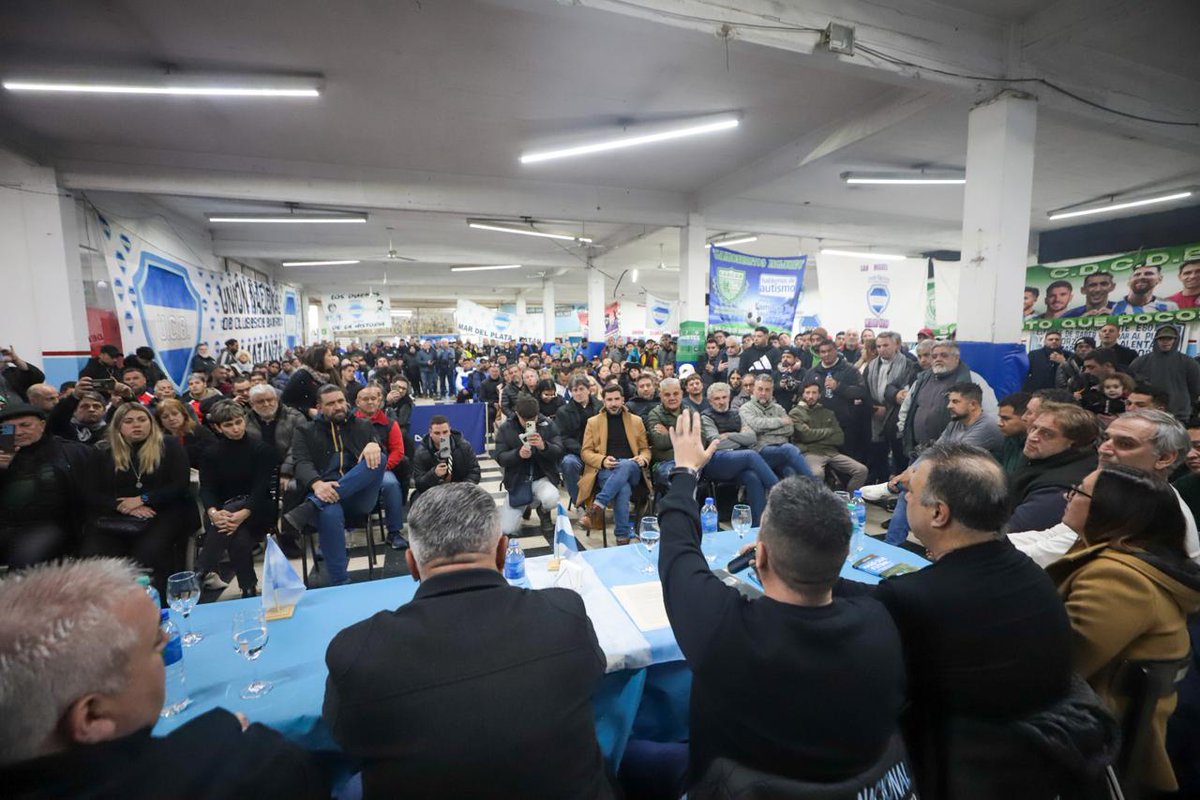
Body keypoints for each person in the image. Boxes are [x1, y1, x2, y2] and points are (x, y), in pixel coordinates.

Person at [656, 411, 905, 793]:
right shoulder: (880, 621)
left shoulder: (725, 629)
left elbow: (677, 551)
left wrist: (686, 471)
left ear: (761, 556)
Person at [322, 483, 612, 799]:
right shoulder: (564, 614)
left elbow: (344, 738)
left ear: (411, 564)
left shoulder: (357, 654)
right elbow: (595, 680)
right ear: (502, 552)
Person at [0, 559, 329, 800]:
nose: (169, 639)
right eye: (156, 644)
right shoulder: (252, 771)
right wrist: (224, 743)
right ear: (92, 716)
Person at [870, 443, 1073, 798]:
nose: (904, 500)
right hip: (1032, 763)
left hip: (947, 769)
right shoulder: (1032, 574)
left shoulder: (916, 598)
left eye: (910, 493)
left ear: (938, 514)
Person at [1047, 465, 1200, 794]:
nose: (1069, 497)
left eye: (1080, 492)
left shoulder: (1118, 578)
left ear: (1112, 511)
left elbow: (1060, 665)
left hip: (1102, 742)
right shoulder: (1131, 559)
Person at [1010, 410, 1200, 567]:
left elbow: (1045, 556)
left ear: (1164, 458)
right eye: (1106, 439)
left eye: (1125, 444)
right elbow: (1055, 535)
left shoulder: (1149, 509)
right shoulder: (1122, 493)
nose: (1104, 449)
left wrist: (987, 546)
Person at [81, 403, 198, 601]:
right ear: (118, 426)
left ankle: (155, 606)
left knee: (149, 553)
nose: (137, 425)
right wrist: (122, 506)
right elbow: (90, 492)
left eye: (142, 420)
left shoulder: (169, 445)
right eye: (129, 421)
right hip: (117, 513)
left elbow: (179, 485)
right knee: (94, 551)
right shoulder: (102, 451)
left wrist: (143, 499)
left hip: (165, 509)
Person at [282, 385, 386, 587]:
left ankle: (312, 504)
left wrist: (374, 444)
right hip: (325, 494)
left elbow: (376, 445)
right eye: (331, 403)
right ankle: (340, 582)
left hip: (359, 496)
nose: (338, 407)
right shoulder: (304, 431)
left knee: (379, 457)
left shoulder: (363, 426)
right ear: (319, 407)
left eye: (340, 401)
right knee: (329, 512)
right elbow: (301, 463)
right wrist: (317, 484)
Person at [196, 401, 277, 596]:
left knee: (232, 521)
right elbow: (207, 489)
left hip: (259, 509)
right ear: (218, 427)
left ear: (244, 420)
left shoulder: (261, 449)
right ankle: (248, 587)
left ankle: (201, 569)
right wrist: (213, 513)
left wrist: (243, 513)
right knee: (236, 534)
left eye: (238, 422)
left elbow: (261, 488)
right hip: (225, 513)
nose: (235, 428)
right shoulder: (210, 453)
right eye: (228, 425)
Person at [0, 404, 92, 567]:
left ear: (42, 425)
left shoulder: (71, 452)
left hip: (50, 526)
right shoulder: (3, 456)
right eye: (10, 428)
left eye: (25, 425)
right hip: (7, 523)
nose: (19, 432)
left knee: (25, 559)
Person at [1007, 401, 1099, 532]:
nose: (1032, 437)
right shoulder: (1042, 457)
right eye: (1034, 428)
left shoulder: (1058, 487)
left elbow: (1013, 531)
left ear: (1074, 443)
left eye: (1047, 434)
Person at [578, 384, 652, 544]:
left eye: (617, 399)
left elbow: (645, 449)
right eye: (609, 400)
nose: (613, 403)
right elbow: (585, 452)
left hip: (633, 469)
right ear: (603, 401)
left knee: (625, 464)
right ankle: (622, 537)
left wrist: (643, 458)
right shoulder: (593, 422)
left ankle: (596, 507)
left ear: (623, 400)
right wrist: (602, 460)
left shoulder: (636, 421)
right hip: (606, 471)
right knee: (623, 489)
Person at [897, 340, 997, 457]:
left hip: (954, 455)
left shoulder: (972, 379)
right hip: (918, 451)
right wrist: (903, 430)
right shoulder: (921, 380)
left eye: (944, 355)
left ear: (956, 358)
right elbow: (906, 408)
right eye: (934, 356)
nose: (938, 359)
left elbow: (992, 414)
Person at [698, 382, 779, 525]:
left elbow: (752, 438)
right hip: (714, 461)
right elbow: (717, 444)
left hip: (737, 459)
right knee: (750, 454)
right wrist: (740, 439)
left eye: (724, 397)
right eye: (717, 399)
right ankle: (781, 493)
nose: (721, 402)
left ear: (729, 398)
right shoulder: (705, 417)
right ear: (710, 401)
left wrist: (730, 435)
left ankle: (758, 526)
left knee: (753, 477)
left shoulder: (737, 414)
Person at [494, 396, 563, 537]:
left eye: (533, 419)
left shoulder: (548, 424)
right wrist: (518, 454)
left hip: (541, 478)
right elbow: (500, 457)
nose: (529, 423)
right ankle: (525, 504)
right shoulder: (506, 428)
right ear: (517, 414)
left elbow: (559, 451)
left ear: (537, 414)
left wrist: (544, 447)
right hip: (517, 481)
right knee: (507, 529)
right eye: (525, 420)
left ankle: (542, 510)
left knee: (552, 499)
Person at [353, 386, 408, 550]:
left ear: (379, 401)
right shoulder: (348, 423)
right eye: (365, 398)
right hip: (352, 470)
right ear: (357, 402)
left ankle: (394, 532)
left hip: (381, 470)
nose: (370, 401)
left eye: (374, 398)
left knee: (391, 485)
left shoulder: (390, 424)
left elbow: (398, 451)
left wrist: (383, 468)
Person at [790, 380, 868, 490]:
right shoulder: (796, 413)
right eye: (807, 393)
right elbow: (805, 436)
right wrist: (829, 431)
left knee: (861, 470)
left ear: (819, 395)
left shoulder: (827, 412)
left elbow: (839, 438)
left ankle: (849, 500)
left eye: (814, 393)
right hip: (811, 452)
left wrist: (814, 435)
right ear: (802, 394)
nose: (810, 396)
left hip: (831, 452)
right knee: (817, 474)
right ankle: (817, 503)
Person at [737, 374, 814, 480]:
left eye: (767, 390)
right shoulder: (746, 408)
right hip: (760, 451)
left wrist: (766, 431)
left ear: (772, 391)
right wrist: (781, 421)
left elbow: (790, 429)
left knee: (790, 473)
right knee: (789, 448)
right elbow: (756, 426)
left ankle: (800, 495)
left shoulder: (778, 408)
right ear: (754, 390)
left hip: (781, 454)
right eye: (760, 389)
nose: (763, 393)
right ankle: (817, 486)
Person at [863, 331, 917, 480]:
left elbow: (907, 391)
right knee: (877, 453)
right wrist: (874, 408)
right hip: (875, 414)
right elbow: (864, 391)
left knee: (898, 454)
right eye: (878, 346)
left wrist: (888, 408)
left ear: (897, 345)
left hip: (896, 414)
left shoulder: (909, 365)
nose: (881, 349)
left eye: (886, 345)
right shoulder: (871, 365)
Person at [803, 339, 867, 459]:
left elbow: (861, 392)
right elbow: (802, 393)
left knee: (847, 459)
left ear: (836, 351)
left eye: (829, 351)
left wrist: (839, 387)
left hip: (845, 425)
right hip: (819, 425)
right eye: (823, 352)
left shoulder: (850, 370)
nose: (826, 354)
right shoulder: (812, 372)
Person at [1130, 325, 1200, 420]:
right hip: (1145, 415)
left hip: (1179, 416)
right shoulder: (1140, 362)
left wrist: (1184, 406)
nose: (1165, 341)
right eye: (1162, 338)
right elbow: (1131, 387)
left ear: (1176, 340)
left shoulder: (1190, 363)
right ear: (1156, 340)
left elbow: (1195, 390)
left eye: (1169, 338)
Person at [409, 415, 481, 502]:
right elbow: (419, 484)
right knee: (417, 501)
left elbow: (474, 472)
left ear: (450, 431)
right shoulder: (421, 452)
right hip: (432, 493)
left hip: (460, 490)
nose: (442, 436)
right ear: (430, 433)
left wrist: (461, 490)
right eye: (437, 433)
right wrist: (433, 474)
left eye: (445, 432)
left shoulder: (464, 446)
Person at [556, 376, 601, 507]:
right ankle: (579, 503)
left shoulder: (600, 407)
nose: (578, 393)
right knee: (568, 463)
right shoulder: (563, 411)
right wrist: (582, 450)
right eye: (575, 390)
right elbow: (563, 437)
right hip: (577, 452)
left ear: (589, 390)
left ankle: (601, 503)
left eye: (581, 389)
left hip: (599, 451)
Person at [646, 378, 686, 488]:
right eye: (667, 395)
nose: (672, 398)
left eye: (676, 393)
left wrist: (669, 431)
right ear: (661, 396)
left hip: (689, 461)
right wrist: (685, 433)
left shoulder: (690, 412)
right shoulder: (654, 414)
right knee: (677, 477)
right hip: (665, 462)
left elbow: (700, 440)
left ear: (682, 394)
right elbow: (660, 443)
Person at [281, 345, 339, 419]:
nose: (332, 358)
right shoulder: (301, 376)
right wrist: (307, 410)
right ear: (319, 358)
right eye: (329, 355)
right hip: (306, 422)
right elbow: (286, 402)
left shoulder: (329, 375)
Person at [155, 398, 215, 467]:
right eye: (165, 417)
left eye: (175, 414)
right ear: (160, 421)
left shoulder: (200, 431)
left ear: (183, 414)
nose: (171, 418)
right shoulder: (159, 439)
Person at [1111, 263, 1179, 313]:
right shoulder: (1114, 307)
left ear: (1159, 279)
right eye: (1137, 275)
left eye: (1148, 274)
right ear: (1129, 280)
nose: (1141, 277)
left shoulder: (1169, 306)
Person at [997, 391, 1031, 474]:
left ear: (1025, 417)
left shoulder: (1035, 447)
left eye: (1006, 418)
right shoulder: (1010, 439)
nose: (999, 423)